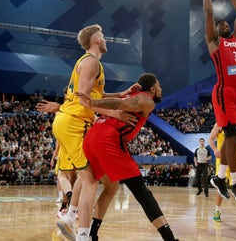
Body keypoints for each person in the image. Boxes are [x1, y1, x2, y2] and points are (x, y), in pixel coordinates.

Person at [52, 24, 140, 241]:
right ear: (96, 41)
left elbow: (95, 94)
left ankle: (71, 218)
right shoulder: (91, 62)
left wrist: (121, 95)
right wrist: (115, 113)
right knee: (90, 180)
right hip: (74, 121)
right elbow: (85, 100)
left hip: (71, 120)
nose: (106, 39)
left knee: (89, 176)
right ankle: (81, 234)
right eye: (103, 36)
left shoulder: (91, 63)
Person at [75, 73, 178, 241]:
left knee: (111, 188)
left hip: (92, 138)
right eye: (158, 86)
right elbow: (120, 103)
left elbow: (117, 101)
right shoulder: (146, 100)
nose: (161, 89)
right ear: (152, 88)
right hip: (108, 140)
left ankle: (91, 233)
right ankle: (170, 239)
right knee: (142, 193)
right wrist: (93, 102)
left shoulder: (130, 94)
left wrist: (94, 102)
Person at [203, 0, 236, 204]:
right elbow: (209, 12)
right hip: (224, 91)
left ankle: (220, 178)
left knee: (232, 136)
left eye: (225, 23)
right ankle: (234, 182)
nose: (224, 24)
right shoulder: (214, 43)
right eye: (220, 23)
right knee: (230, 135)